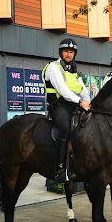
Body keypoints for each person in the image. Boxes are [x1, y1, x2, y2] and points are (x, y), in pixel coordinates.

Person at [42, 38, 91, 181]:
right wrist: (81, 101)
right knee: (64, 128)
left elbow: (82, 89)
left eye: (71, 52)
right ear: (61, 53)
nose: (69, 55)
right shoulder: (53, 67)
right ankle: (60, 170)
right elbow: (62, 90)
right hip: (58, 105)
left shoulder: (74, 70)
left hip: (73, 104)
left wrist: (88, 101)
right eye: (66, 52)